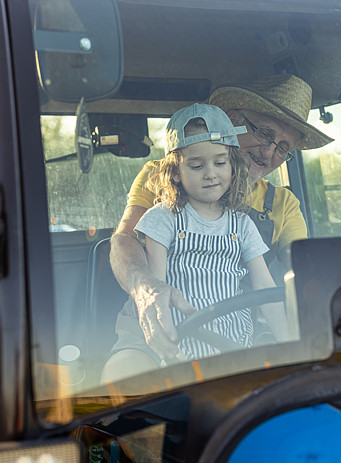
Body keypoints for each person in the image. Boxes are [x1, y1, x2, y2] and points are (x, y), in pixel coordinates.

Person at [110, 74, 334, 360]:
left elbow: (304, 270)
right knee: (126, 377)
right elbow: (123, 241)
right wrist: (146, 289)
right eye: (265, 133)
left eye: (283, 147)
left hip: (238, 328)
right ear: (231, 121)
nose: (268, 152)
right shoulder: (159, 179)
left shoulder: (281, 204)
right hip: (160, 322)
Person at [103, 103, 289, 380]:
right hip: (182, 337)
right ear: (175, 173)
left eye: (219, 162)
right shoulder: (162, 219)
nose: (211, 173)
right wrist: (169, 353)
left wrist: (290, 349)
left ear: (233, 165)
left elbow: (265, 287)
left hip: (233, 341)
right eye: (197, 165)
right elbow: (158, 289)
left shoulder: (243, 224)